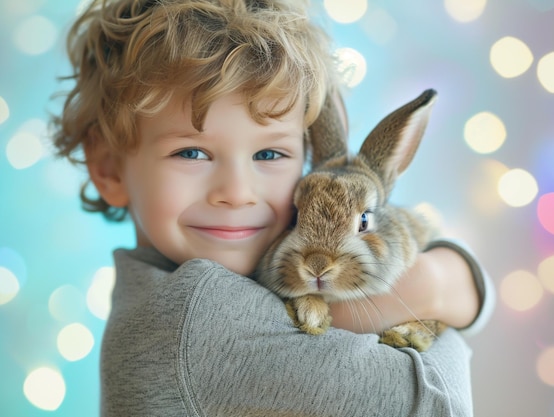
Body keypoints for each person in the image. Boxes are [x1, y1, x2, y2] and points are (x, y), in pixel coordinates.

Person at [52, 0, 494, 415]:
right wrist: (431, 288)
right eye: (191, 153)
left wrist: (445, 284)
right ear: (109, 168)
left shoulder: (168, 288)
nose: (237, 192)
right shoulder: (196, 318)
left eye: (269, 155)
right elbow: (440, 402)